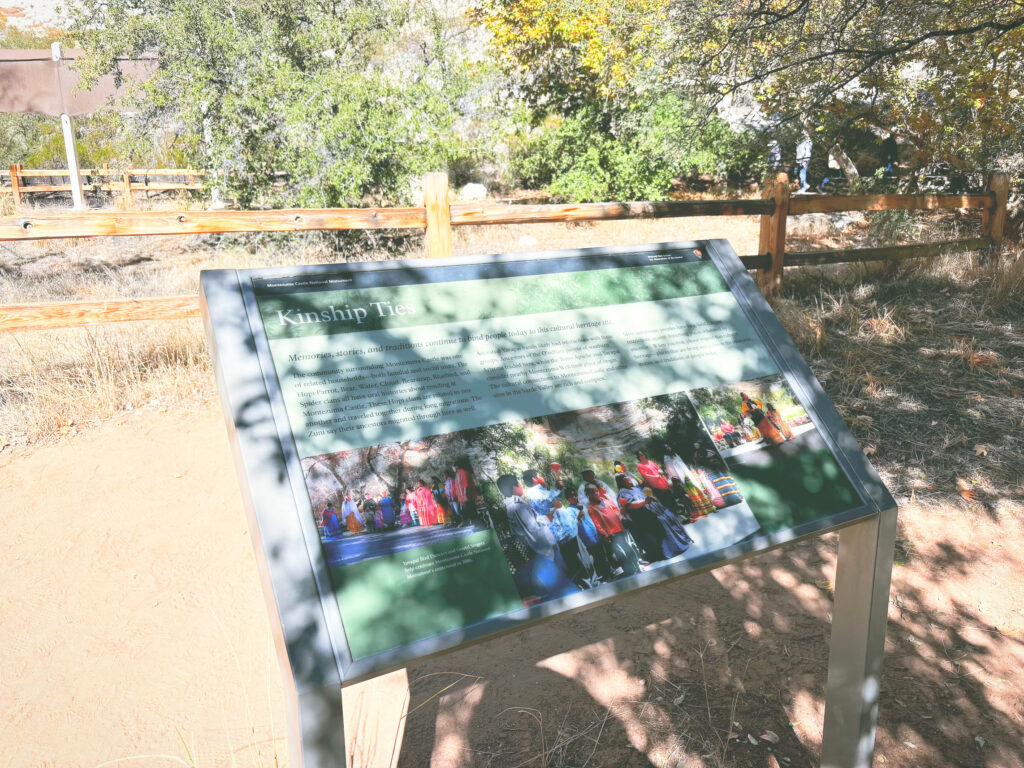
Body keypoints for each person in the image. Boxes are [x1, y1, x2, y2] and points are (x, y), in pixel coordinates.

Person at [498, 473, 578, 601]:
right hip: (544, 551)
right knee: (559, 585)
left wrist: (547, 518)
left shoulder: (517, 504)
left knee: (563, 578)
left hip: (547, 549)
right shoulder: (516, 506)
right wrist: (547, 519)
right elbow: (530, 529)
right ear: (513, 487)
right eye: (518, 483)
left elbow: (531, 522)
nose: (521, 485)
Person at [616, 474, 692, 562]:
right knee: (659, 532)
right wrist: (644, 502)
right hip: (644, 516)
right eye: (626, 478)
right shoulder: (623, 493)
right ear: (621, 481)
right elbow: (629, 506)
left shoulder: (635, 488)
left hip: (654, 511)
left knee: (666, 523)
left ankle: (677, 545)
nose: (629, 478)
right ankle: (666, 552)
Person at [585, 482, 641, 577]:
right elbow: (597, 523)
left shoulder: (606, 500)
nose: (597, 493)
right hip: (611, 534)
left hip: (620, 529)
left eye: (597, 491)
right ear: (589, 495)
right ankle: (629, 571)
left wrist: (622, 514)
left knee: (629, 548)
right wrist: (604, 535)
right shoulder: (591, 508)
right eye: (593, 492)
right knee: (620, 553)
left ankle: (637, 566)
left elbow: (617, 512)